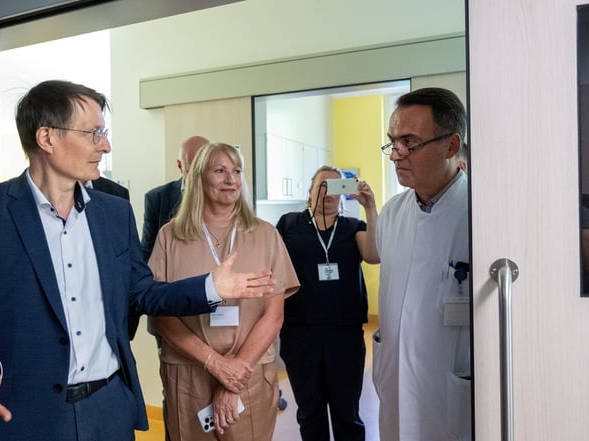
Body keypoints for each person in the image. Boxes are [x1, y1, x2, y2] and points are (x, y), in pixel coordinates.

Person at [0, 80, 276, 441]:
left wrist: (210, 287)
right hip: (18, 417)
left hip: (108, 412)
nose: (105, 145)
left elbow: (141, 293)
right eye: (94, 133)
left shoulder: (114, 213)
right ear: (47, 138)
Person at [148, 142, 300, 440]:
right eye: (220, 171)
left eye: (237, 171)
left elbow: (274, 314)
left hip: (249, 372)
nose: (231, 179)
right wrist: (215, 364)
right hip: (188, 374)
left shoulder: (265, 234)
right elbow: (160, 314)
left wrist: (234, 374)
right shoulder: (170, 236)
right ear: (199, 178)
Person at [373, 87, 471, 441]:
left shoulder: (480, 213)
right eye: (392, 142)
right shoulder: (391, 215)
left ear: (450, 145)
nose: (396, 155)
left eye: (409, 143)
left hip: (453, 391)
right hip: (395, 385)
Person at [275, 165, 378, 441]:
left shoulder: (351, 227)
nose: (328, 192)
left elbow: (373, 254)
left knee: (347, 414)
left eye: (336, 187)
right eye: (322, 185)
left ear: (344, 194)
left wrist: (370, 207)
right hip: (300, 334)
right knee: (310, 414)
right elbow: (271, 264)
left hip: (344, 335)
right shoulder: (289, 224)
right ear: (309, 191)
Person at [140, 135, 208, 262]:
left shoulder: (227, 196)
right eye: (193, 172)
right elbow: (147, 253)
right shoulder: (157, 199)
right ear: (179, 165)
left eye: (205, 169)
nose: (199, 179)